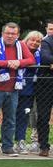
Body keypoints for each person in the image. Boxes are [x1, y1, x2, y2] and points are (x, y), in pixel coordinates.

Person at [0, 23, 35, 157]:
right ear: (2, 33)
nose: (10, 36)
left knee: (10, 119)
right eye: (8, 33)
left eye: (13, 34)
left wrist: (18, 62)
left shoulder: (21, 45)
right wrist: (6, 63)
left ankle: (8, 147)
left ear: (18, 35)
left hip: (13, 89)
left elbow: (31, 59)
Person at [14, 31, 43, 152]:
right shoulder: (17, 50)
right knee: (10, 116)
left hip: (28, 91)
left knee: (23, 116)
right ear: (26, 40)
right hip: (13, 88)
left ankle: (20, 140)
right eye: (32, 40)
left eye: (38, 41)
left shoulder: (39, 54)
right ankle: (8, 141)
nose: (35, 43)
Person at [36, 20, 53, 156]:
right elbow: (45, 58)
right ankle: (44, 146)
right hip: (46, 85)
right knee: (43, 116)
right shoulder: (46, 42)